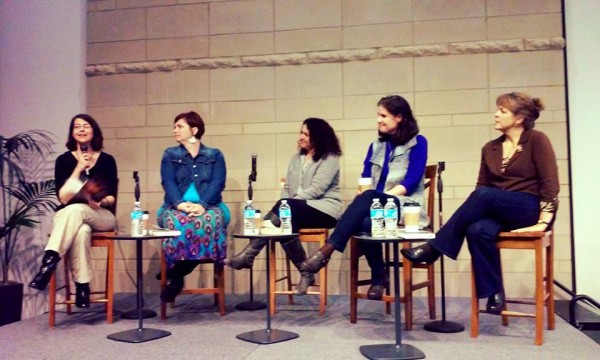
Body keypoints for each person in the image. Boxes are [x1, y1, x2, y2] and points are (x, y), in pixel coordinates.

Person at [401, 92, 559, 314]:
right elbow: (481, 186)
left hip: (530, 209)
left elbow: (550, 183)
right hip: (498, 210)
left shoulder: (536, 139)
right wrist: (476, 213)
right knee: (476, 229)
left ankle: (435, 247)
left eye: (502, 111)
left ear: (519, 118)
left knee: (484, 195)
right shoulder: (490, 148)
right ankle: (494, 294)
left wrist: (543, 222)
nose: (496, 114)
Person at [301, 95, 429, 300]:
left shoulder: (418, 143)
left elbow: (411, 181)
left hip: (404, 205)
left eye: (383, 115)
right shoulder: (376, 146)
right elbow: (366, 177)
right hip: (374, 206)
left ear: (399, 117)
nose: (378, 120)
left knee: (370, 201)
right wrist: (366, 195)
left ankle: (327, 250)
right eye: (378, 115)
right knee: (365, 222)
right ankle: (379, 278)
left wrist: (377, 197)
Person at [225, 118, 342, 295]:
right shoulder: (296, 159)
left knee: (282, 213)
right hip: (297, 211)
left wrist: (288, 204)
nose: (300, 137)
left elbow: (317, 189)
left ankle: (248, 255)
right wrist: (287, 206)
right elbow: (287, 188)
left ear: (318, 137)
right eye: (300, 132)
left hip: (324, 210)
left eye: (306, 134)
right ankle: (306, 272)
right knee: (283, 225)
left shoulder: (330, 158)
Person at [29, 114, 118, 309]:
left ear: (94, 130)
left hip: (101, 215)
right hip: (73, 215)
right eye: (76, 126)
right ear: (72, 133)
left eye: (86, 126)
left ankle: (48, 264)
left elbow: (112, 197)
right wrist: (79, 168)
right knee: (81, 230)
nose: (81, 129)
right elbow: (63, 197)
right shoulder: (64, 161)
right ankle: (83, 288)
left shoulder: (107, 160)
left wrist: (98, 200)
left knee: (77, 210)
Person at [157, 111, 230, 302]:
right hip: (175, 206)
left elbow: (218, 182)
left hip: (209, 206)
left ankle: (177, 272)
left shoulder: (215, 155)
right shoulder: (170, 154)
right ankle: (177, 276)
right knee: (179, 224)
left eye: (179, 126)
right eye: (174, 127)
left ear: (194, 130)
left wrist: (202, 206)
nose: (175, 130)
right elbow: (168, 182)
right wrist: (181, 205)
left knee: (207, 222)